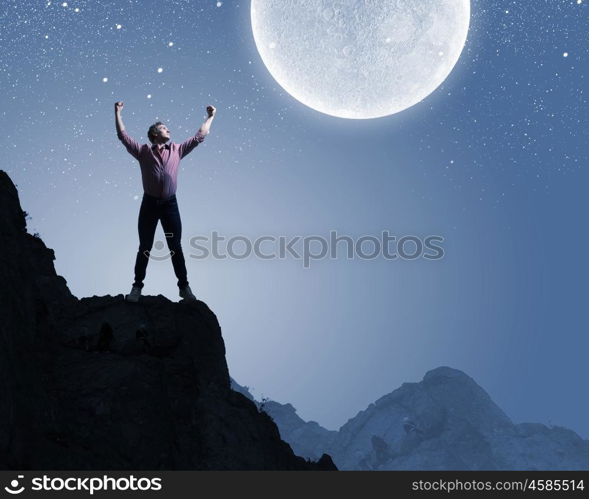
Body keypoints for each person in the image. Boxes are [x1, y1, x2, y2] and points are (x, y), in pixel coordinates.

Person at [114, 101, 216, 302]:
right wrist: (117, 112)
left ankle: (184, 287)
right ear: (154, 134)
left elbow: (199, 137)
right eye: (163, 128)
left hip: (170, 206)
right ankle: (136, 287)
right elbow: (122, 136)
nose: (168, 129)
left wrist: (211, 116)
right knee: (145, 245)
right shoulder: (143, 151)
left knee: (174, 246)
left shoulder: (177, 150)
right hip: (149, 206)